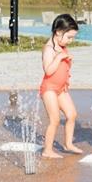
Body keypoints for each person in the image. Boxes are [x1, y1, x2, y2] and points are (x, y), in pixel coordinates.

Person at [39, 13, 82, 158]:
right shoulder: (49, 49)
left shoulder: (62, 46)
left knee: (72, 114)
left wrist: (67, 60)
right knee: (55, 119)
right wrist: (58, 58)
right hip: (49, 89)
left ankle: (68, 144)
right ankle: (47, 150)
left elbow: (63, 68)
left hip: (61, 88)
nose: (70, 40)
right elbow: (48, 70)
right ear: (58, 32)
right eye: (69, 37)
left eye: (73, 37)